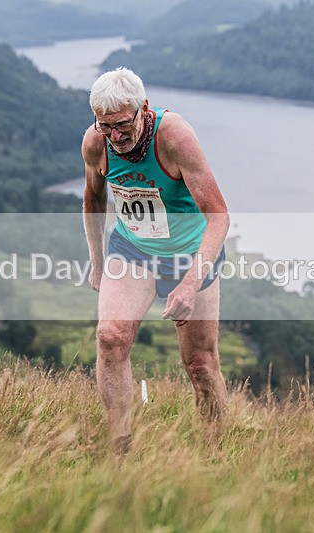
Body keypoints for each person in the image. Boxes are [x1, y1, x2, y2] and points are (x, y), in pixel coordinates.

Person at [82, 67, 230, 451]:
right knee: (110, 337)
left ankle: (215, 450)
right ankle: (120, 448)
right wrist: (97, 263)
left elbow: (219, 216)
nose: (115, 136)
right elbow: (93, 199)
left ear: (144, 109)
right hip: (134, 250)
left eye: (122, 125)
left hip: (191, 254)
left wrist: (190, 283)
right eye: (104, 126)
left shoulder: (175, 138)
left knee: (200, 363)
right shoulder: (96, 143)